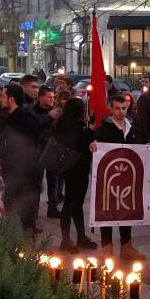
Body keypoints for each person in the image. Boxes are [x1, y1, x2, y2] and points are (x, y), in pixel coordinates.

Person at [93, 92, 145, 260]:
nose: (121, 112)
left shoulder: (133, 128)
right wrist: (93, 147)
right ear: (110, 108)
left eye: (124, 108)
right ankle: (106, 246)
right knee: (107, 209)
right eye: (117, 108)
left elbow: (139, 148)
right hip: (108, 179)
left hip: (128, 178)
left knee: (126, 210)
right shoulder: (102, 130)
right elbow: (96, 152)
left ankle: (126, 246)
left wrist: (148, 148)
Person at [52, 97, 95, 253]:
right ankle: (66, 240)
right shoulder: (72, 127)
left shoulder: (66, 124)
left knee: (77, 204)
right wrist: (90, 129)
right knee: (70, 205)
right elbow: (81, 142)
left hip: (77, 170)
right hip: (75, 171)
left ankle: (81, 237)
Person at [0, 83, 42, 233]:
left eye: (3, 96)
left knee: (23, 215)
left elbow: (25, 150)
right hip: (12, 174)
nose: (0, 99)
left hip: (23, 176)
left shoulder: (25, 119)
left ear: (11, 99)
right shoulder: (11, 117)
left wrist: (4, 161)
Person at [33, 85, 61, 218]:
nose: (52, 100)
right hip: (38, 152)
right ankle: (33, 210)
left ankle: (52, 207)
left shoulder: (55, 111)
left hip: (52, 151)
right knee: (36, 182)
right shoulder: (33, 111)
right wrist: (49, 117)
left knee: (53, 181)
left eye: (53, 97)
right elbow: (34, 127)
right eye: (49, 97)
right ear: (40, 97)